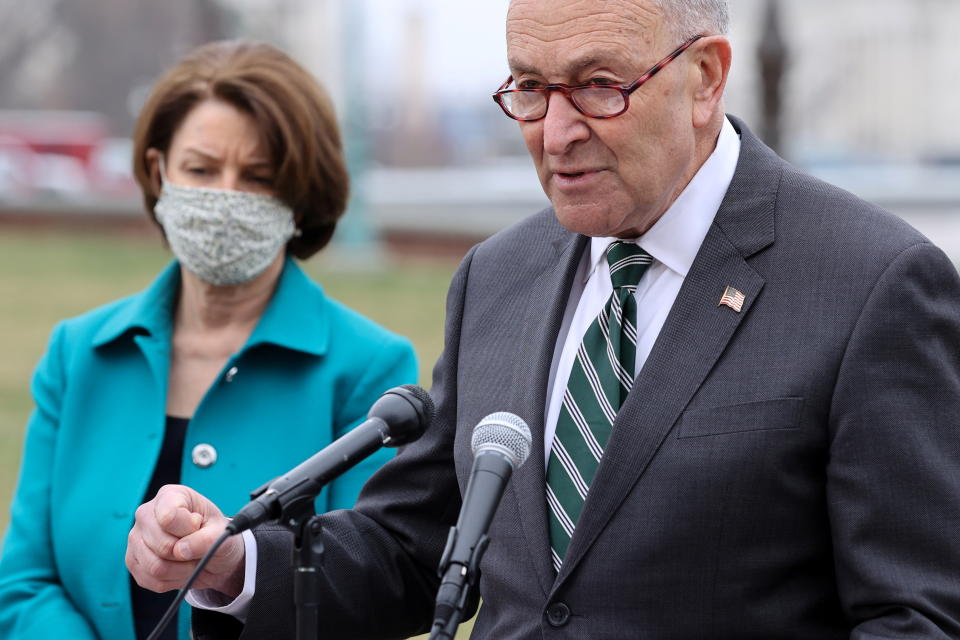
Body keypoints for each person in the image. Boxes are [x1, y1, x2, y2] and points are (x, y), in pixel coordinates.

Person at [128, 2, 960, 638]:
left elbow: (917, 616)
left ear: (705, 76)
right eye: (529, 87)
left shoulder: (873, 284)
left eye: (600, 86)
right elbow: (415, 548)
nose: (556, 133)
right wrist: (234, 564)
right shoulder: (496, 277)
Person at [0, 40, 417, 640]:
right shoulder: (79, 353)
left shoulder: (370, 369)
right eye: (201, 169)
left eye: (258, 177)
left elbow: (373, 591)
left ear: (301, 196)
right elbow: (24, 583)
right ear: (157, 172)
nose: (226, 195)